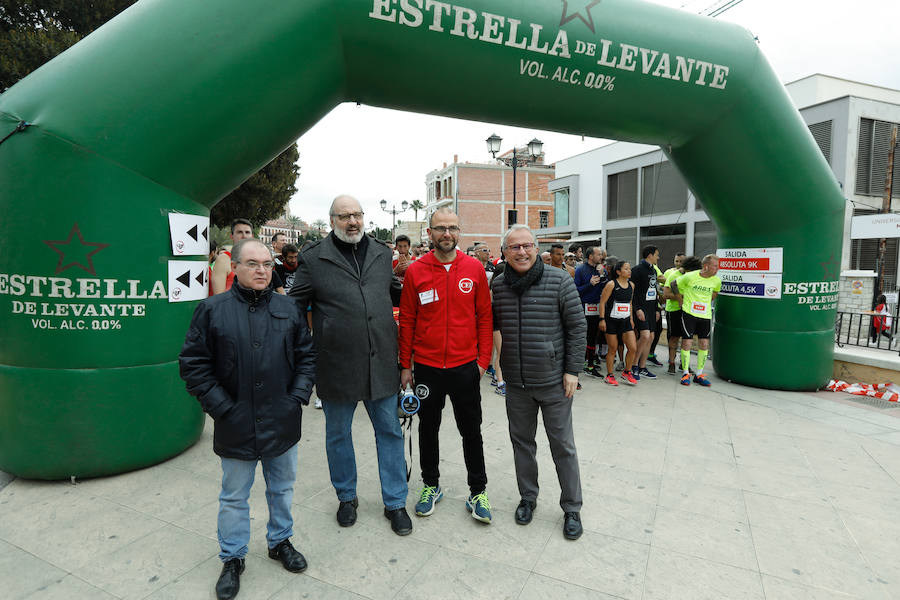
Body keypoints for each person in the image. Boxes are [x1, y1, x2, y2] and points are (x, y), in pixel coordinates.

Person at [179, 238, 316, 600]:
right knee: (234, 496)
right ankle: (233, 557)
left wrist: (296, 399)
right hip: (235, 421)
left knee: (282, 489)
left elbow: (306, 357)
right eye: (253, 264)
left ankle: (280, 541)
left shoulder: (289, 309)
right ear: (234, 267)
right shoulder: (212, 309)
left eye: (267, 264)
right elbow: (194, 364)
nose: (262, 271)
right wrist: (222, 407)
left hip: (282, 420)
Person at [288, 195, 412, 536]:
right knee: (338, 434)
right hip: (335, 364)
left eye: (357, 214)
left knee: (389, 432)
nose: (352, 221)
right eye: (344, 216)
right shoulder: (314, 259)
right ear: (332, 221)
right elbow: (294, 309)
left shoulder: (380, 252)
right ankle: (346, 497)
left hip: (381, 362)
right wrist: (302, 352)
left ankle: (395, 502)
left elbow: (393, 292)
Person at [399, 208, 494, 523]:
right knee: (428, 428)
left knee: (471, 431)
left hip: (465, 366)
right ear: (430, 233)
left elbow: (484, 318)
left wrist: (481, 363)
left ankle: (477, 491)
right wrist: (405, 366)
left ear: (459, 232)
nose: (447, 234)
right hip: (426, 367)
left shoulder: (474, 269)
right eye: (440, 228)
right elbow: (408, 320)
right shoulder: (416, 271)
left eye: (452, 228)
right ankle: (430, 485)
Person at [491, 224, 586, 541]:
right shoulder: (500, 285)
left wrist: (572, 370)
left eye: (526, 245)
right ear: (505, 252)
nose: (521, 252)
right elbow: (488, 325)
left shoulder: (559, 280)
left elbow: (577, 327)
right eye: (514, 247)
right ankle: (527, 498)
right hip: (517, 384)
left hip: (554, 382)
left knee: (563, 446)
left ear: (535, 248)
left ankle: (572, 508)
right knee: (522, 444)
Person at [671, 254, 721, 386]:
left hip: (705, 316)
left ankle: (699, 374)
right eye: (715, 266)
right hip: (689, 314)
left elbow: (714, 293)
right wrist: (680, 300)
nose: (717, 269)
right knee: (687, 343)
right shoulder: (690, 276)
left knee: (704, 344)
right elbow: (673, 284)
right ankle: (685, 373)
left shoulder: (716, 281)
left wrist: (704, 303)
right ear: (706, 266)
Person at [212, 219, 285, 295]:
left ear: (252, 236)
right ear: (232, 236)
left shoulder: (260, 259)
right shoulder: (224, 259)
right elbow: (218, 296)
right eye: (239, 232)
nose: (244, 236)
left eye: (247, 232)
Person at [598, 261, 639, 386]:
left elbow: (630, 304)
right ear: (618, 272)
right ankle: (609, 375)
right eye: (626, 269)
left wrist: (631, 319)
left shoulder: (631, 285)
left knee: (633, 348)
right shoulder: (611, 284)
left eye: (629, 268)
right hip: (611, 321)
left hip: (625, 320)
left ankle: (627, 372)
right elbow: (602, 303)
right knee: (613, 349)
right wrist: (602, 319)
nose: (629, 271)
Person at [662, 255, 701, 375]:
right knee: (674, 337)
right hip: (674, 310)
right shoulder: (674, 275)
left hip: (689, 311)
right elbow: (666, 294)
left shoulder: (695, 277)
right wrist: (683, 297)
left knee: (687, 339)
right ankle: (671, 363)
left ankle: (684, 365)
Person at [574, 247, 607, 377]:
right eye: (598, 254)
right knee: (582, 337)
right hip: (583, 307)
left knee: (593, 337)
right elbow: (576, 290)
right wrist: (590, 284)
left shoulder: (601, 269)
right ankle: (580, 363)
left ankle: (591, 364)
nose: (601, 256)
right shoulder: (580, 270)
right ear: (591, 256)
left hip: (597, 307)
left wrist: (603, 274)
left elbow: (607, 286)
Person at [629, 245, 661, 380]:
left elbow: (653, 291)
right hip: (640, 309)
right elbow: (632, 292)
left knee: (651, 337)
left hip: (651, 308)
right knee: (645, 336)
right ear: (650, 255)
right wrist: (637, 309)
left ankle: (642, 367)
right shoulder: (636, 270)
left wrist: (657, 309)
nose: (658, 257)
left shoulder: (653, 270)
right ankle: (633, 365)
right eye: (657, 254)